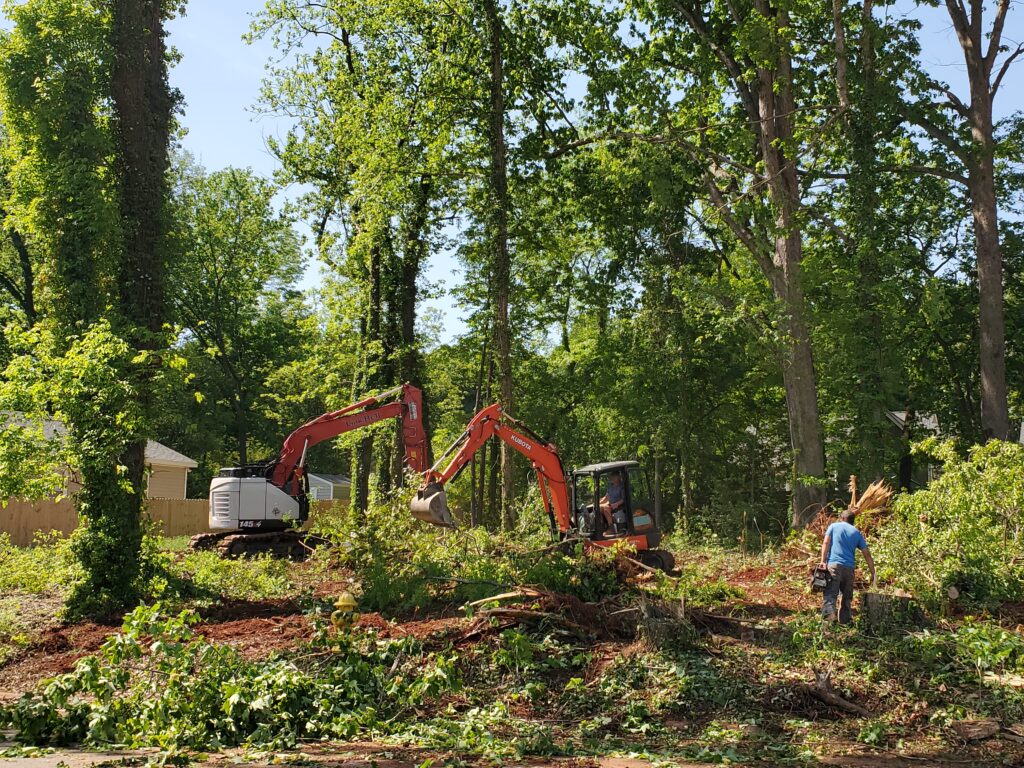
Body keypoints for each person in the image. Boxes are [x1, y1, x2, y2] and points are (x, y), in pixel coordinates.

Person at [819, 508, 876, 625]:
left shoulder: (834, 527)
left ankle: (829, 622)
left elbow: (825, 543)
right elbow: (867, 554)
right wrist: (873, 573)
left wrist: (823, 561)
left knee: (830, 593)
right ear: (852, 521)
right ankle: (845, 622)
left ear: (842, 518)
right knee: (846, 597)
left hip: (834, 566)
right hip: (849, 569)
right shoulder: (856, 533)